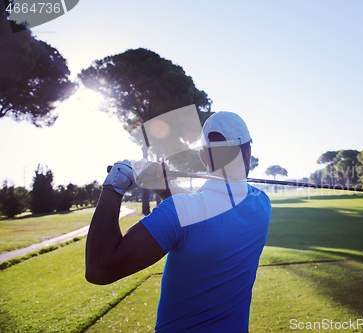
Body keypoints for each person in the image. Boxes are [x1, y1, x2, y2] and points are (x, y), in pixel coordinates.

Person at [85, 111, 272, 333]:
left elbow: (99, 269)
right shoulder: (262, 205)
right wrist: (163, 187)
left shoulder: (179, 212)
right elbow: (202, 207)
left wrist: (113, 186)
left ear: (203, 157)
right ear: (248, 151)